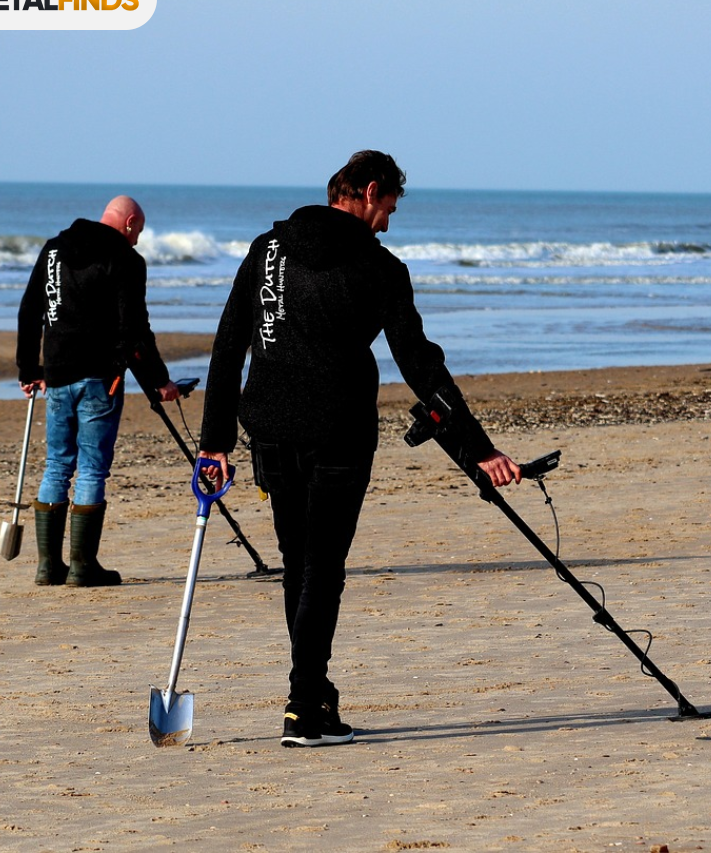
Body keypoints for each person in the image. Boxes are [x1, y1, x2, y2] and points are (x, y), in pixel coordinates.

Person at [198, 150, 520, 748]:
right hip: (337, 434)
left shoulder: (267, 250)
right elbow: (421, 366)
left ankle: (314, 694)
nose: (389, 223)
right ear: (369, 191)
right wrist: (479, 449)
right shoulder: (378, 267)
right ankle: (303, 703)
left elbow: (228, 347)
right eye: (389, 207)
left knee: (302, 565)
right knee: (322, 567)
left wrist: (212, 444)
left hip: (268, 429)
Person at [17, 196, 179, 587]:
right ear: (130, 222)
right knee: (91, 467)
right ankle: (82, 566)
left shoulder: (54, 249)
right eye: (138, 231)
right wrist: (159, 381)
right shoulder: (124, 258)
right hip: (98, 377)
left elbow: (29, 310)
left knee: (57, 464)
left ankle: (48, 565)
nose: (138, 238)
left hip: (56, 373)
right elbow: (134, 329)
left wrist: (29, 369)